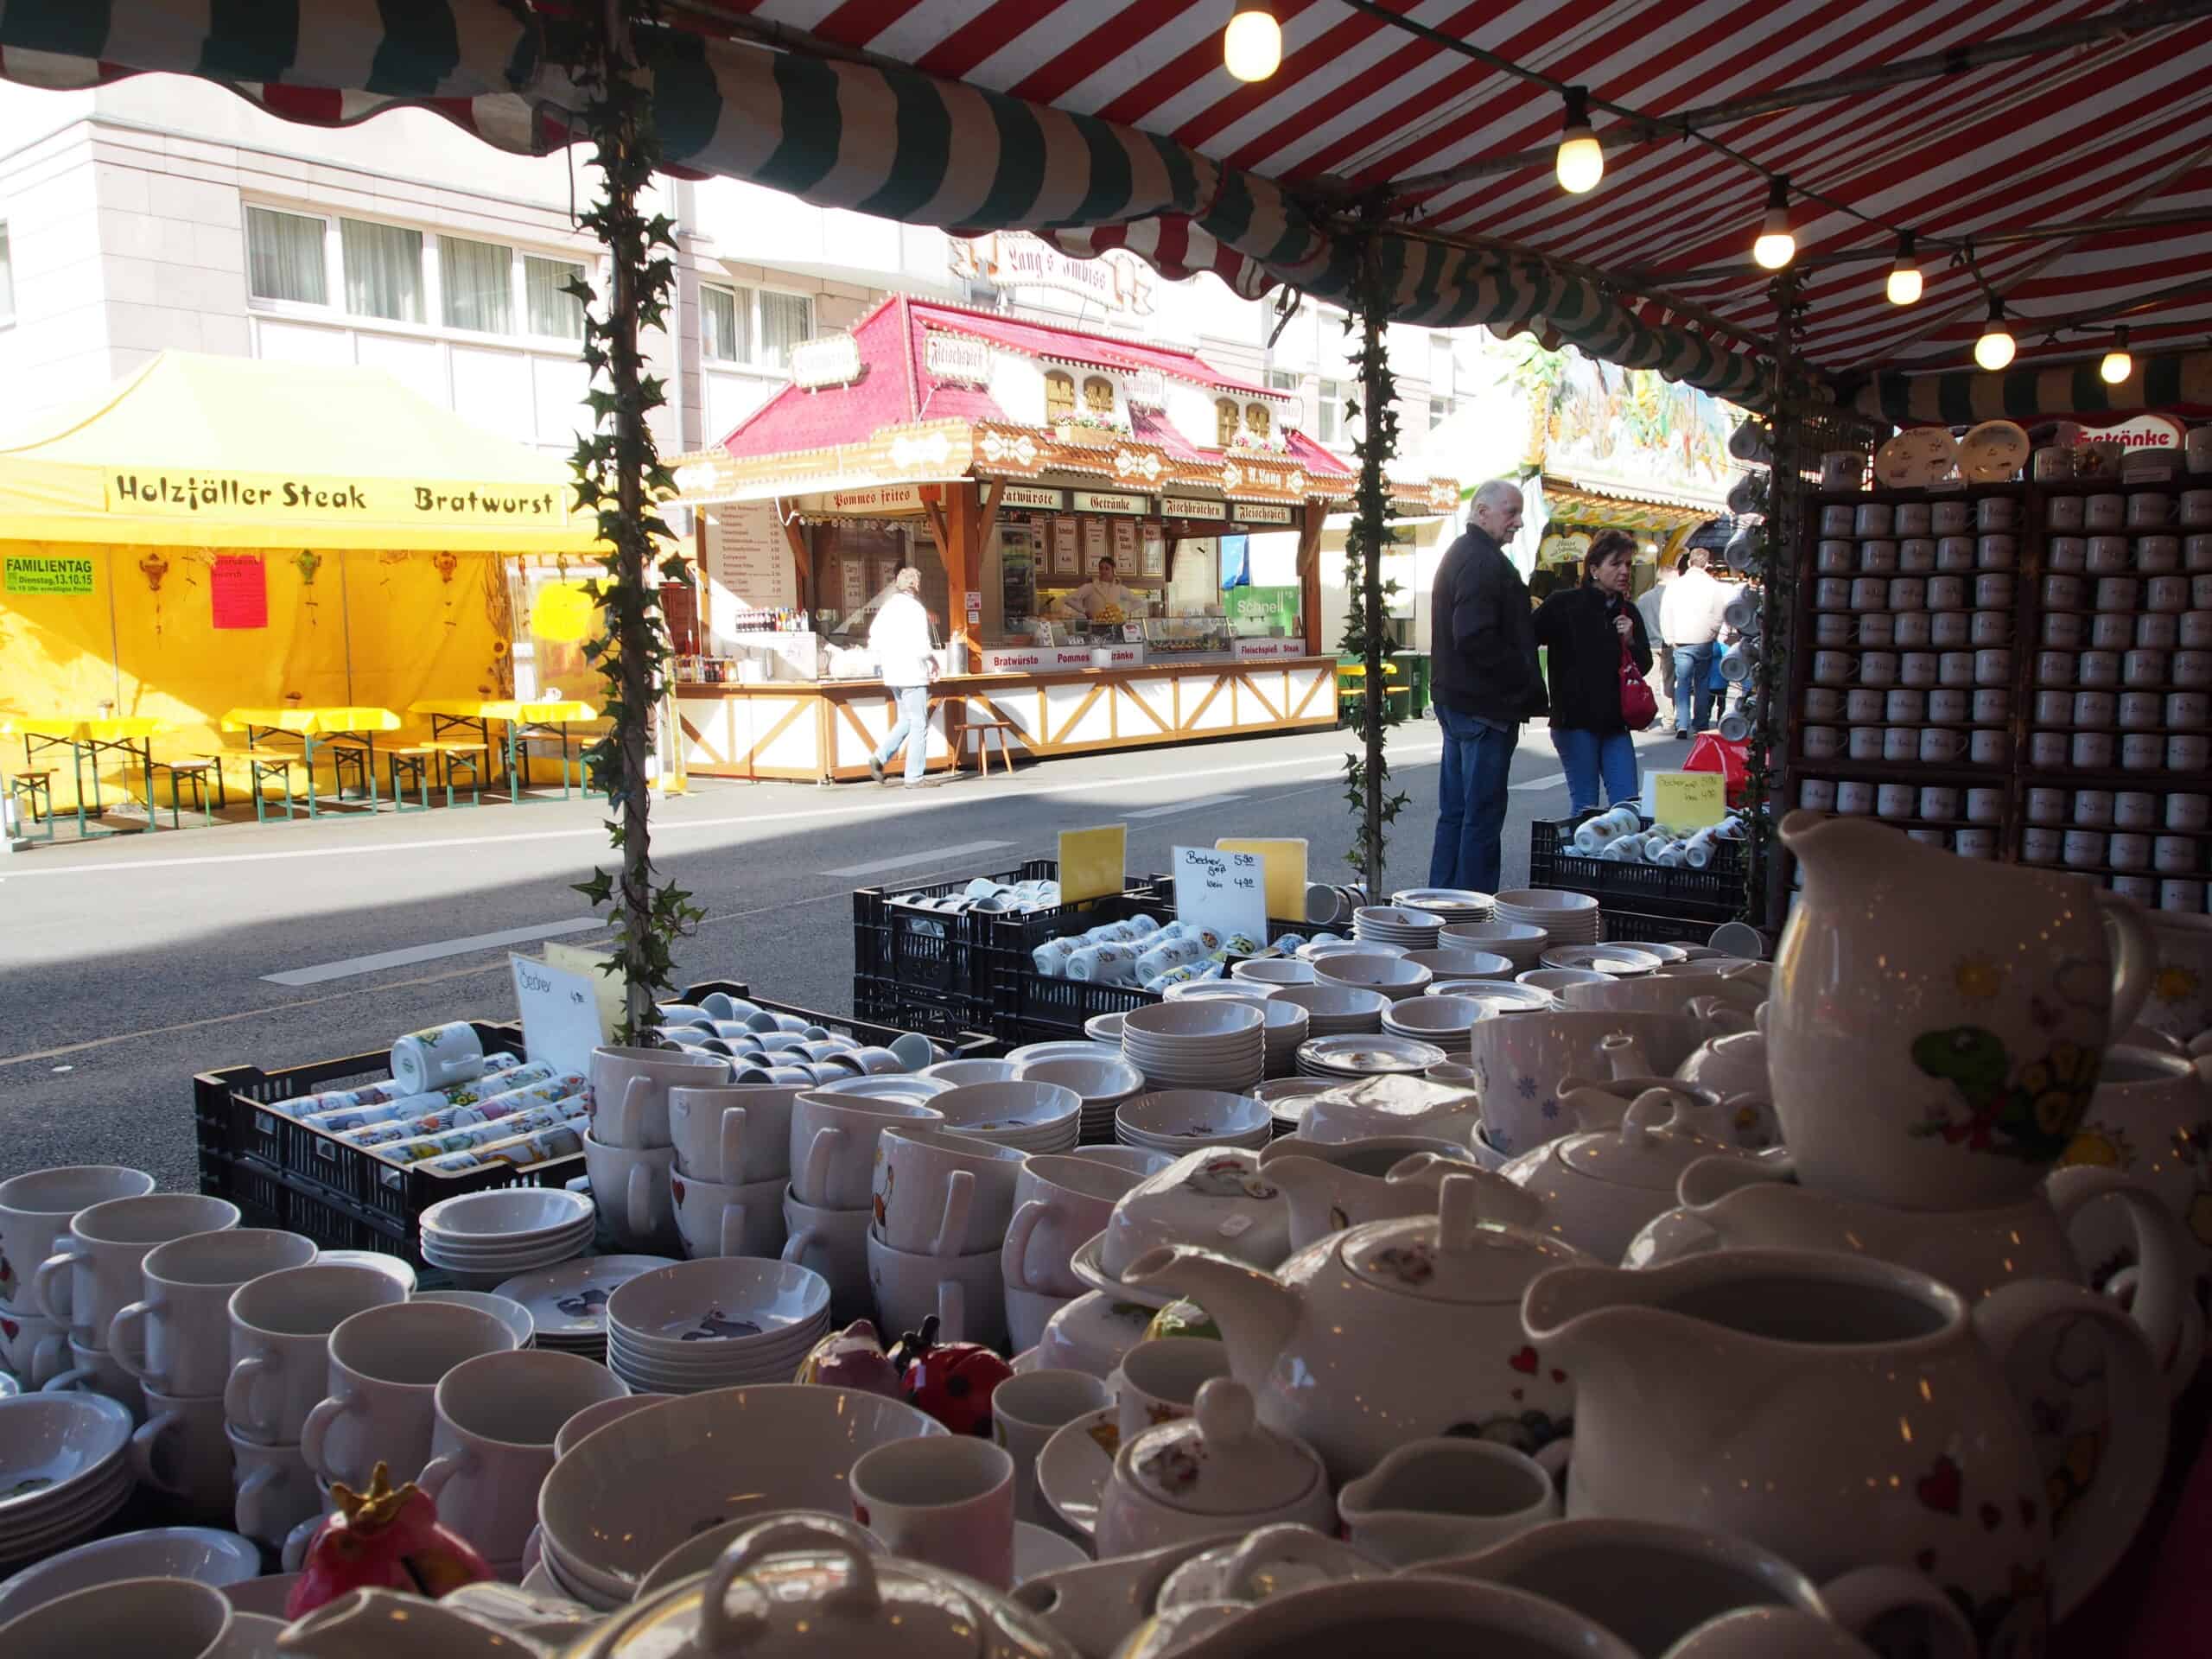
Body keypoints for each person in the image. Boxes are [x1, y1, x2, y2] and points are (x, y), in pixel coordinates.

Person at [1427, 479, 1545, 893]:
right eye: (1510, 512)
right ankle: (1471, 912)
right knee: (1479, 815)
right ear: (1481, 512)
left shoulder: (1465, 553)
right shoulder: (1482, 559)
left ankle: (1440, 902)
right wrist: (1518, 677)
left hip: (1461, 700)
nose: (1518, 521)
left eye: (1519, 512)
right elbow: (1475, 634)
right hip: (1484, 706)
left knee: (1457, 813)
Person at [1535, 530, 1653, 812]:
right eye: (1616, 564)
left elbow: (1644, 665)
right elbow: (1525, 640)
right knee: (1586, 807)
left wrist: (1631, 641)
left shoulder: (1629, 611)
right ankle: (1580, 857)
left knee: (1628, 807)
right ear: (1594, 569)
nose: (1624, 571)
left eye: (1628, 564)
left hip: (1616, 723)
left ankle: (1616, 856)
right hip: (1575, 723)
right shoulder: (1563, 604)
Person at [866, 567, 938, 787]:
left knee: (906, 719)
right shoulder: (915, 609)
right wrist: (932, 660)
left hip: (893, 672)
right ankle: (914, 777)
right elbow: (921, 642)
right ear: (916, 585)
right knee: (919, 723)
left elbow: (874, 637)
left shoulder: (888, 607)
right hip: (912, 673)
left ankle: (879, 757)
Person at [1659, 546, 1731, 737]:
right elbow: (1718, 615)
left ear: (1689, 562)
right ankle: (1700, 723)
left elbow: (1666, 612)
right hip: (1703, 640)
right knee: (1702, 682)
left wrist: (1670, 637)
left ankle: (1682, 724)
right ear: (1707, 564)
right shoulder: (1714, 586)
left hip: (1681, 640)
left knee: (1682, 682)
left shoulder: (1676, 585)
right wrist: (1712, 633)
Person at [1065, 555, 1142, 623]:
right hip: (1094, 628)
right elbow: (1068, 599)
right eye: (1101, 568)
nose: (1103, 571)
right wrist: (1085, 611)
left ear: (1113, 570)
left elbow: (1139, 602)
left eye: (1107, 568)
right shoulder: (1090, 587)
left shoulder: (1120, 588)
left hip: (1114, 629)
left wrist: (1123, 611)